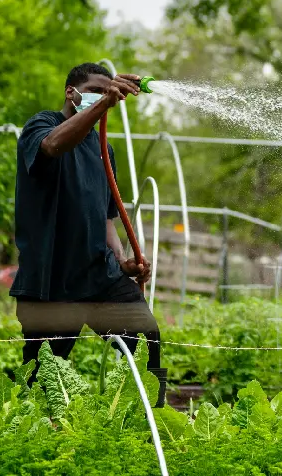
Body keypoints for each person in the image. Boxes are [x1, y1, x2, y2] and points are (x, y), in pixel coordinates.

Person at [10, 62, 166, 405]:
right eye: (96, 90)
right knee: (45, 373)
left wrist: (122, 260)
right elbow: (51, 147)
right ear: (71, 92)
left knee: (145, 334)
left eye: (106, 92)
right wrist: (101, 105)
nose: (102, 98)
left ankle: (147, 417)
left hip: (99, 276)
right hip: (52, 279)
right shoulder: (42, 125)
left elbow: (106, 217)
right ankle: (36, 430)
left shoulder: (102, 148)